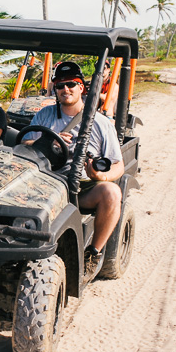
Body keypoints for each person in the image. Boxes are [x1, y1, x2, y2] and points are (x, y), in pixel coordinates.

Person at [23, 61, 124, 283]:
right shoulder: (45, 116)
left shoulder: (100, 123)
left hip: (83, 185)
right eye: (60, 85)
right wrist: (46, 141)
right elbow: (24, 146)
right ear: (55, 89)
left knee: (112, 193)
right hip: (46, 179)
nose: (65, 89)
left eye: (71, 84)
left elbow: (118, 164)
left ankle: (94, 253)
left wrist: (100, 176)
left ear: (81, 88)